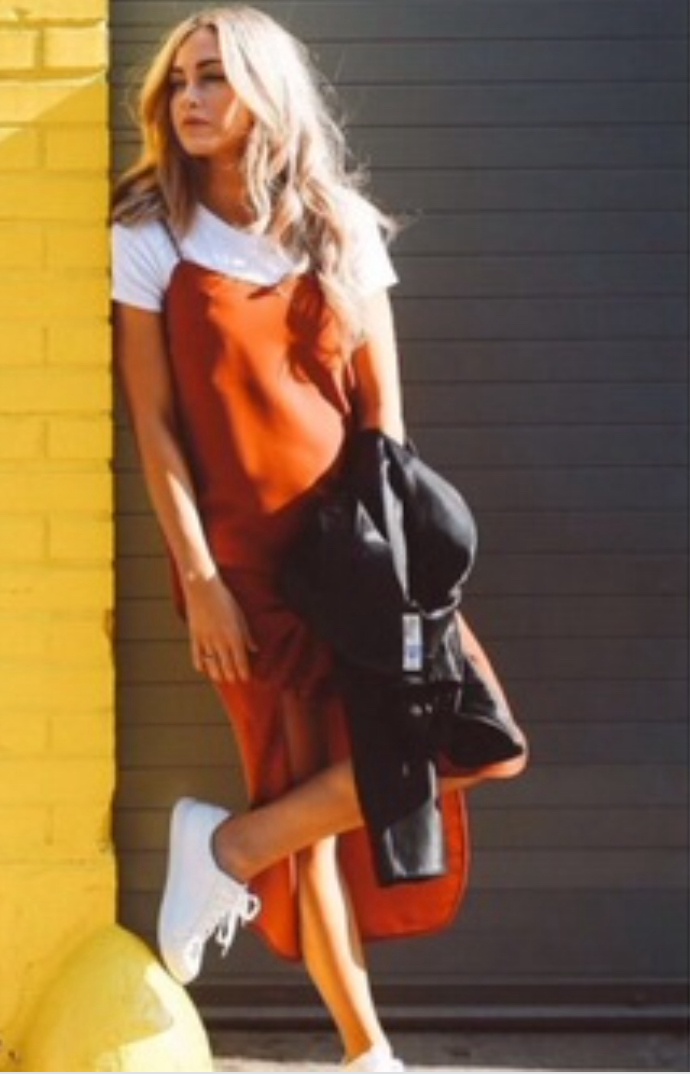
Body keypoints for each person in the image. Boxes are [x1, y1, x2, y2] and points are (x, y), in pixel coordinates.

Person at [111, 6, 527, 1071]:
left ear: (266, 91)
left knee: (477, 743)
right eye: (179, 82)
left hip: (359, 556)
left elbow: (385, 418)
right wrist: (202, 578)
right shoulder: (152, 232)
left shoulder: (338, 225)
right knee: (311, 802)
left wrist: (404, 568)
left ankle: (231, 846)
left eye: (213, 77)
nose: (190, 98)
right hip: (248, 570)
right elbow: (155, 426)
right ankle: (366, 1051)